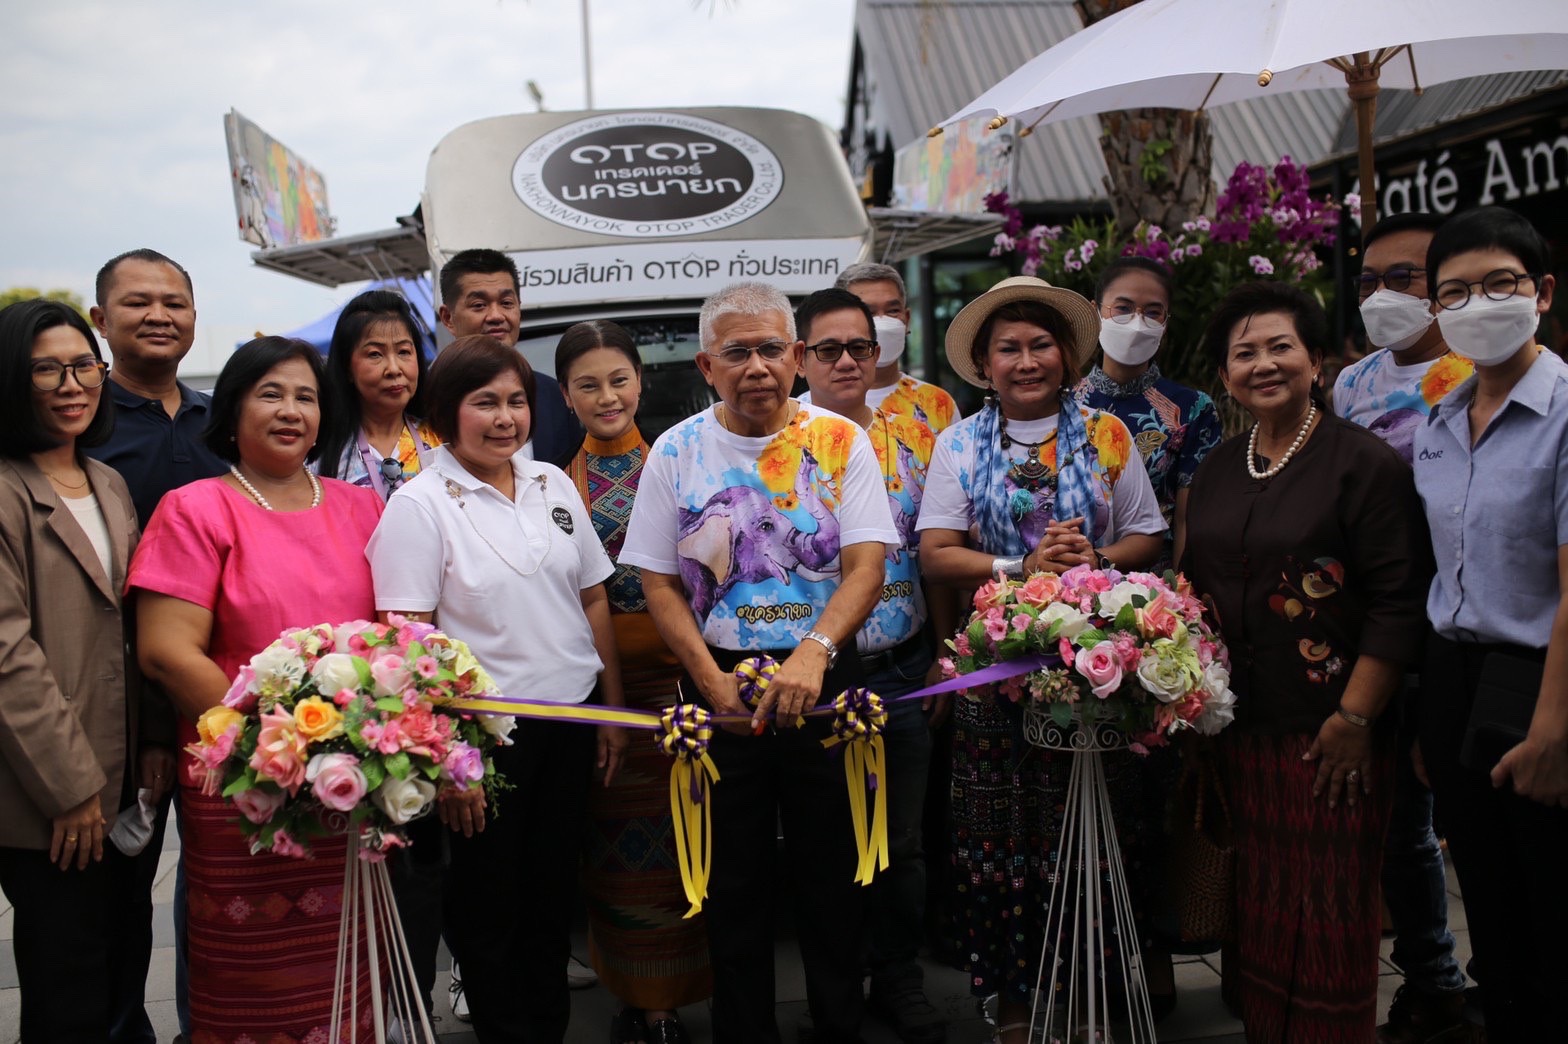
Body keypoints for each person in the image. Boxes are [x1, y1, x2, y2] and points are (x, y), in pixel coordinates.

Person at [620, 282, 897, 1044]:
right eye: (736, 353)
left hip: (825, 680)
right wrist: (709, 683)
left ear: (798, 356)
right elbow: (657, 582)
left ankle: (840, 1026)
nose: (756, 367)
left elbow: (866, 565)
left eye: (772, 349)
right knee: (732, 887)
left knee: (834, 881)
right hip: (720, 688)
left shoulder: (840, 441)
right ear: (707, 365)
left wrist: (815, 652)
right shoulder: (674, 450)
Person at [915, 275, 1165, 1044]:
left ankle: (1087, 989)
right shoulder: (956, 444)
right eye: (1008, 350)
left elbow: (1147, 536)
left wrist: (1091, 561)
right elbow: (934, 554)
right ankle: (1013, 1003)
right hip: (994, 675)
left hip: (1091, 671)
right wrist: (1017, 573)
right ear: (985, 367)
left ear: (1065, 356)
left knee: (1089, 835)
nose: (1027, 361)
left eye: (1040, 345)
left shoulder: (1108, 437)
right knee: (997, 844)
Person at [1181, 281, 1431, 1043]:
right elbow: (1192, 585)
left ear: (1318, 362)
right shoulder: (1221, 467)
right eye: (1244, 353)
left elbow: (1398, 600)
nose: (1263, 365)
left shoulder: (1363, 465)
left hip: (1332, 736)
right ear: (1225, 376)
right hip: (1240, 732)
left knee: (1328, 914)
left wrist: (1357, 718)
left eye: (1280, 347)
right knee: (1258, 912)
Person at [367, 335, 627, 1044]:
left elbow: (593, 600)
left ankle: (546, 1030)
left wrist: (609, 710)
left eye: (517, 401)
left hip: (568, 723)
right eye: (485, 403)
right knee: (488, 910)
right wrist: (449, 759)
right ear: (446, 413)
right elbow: (407, 643)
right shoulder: (420, 505)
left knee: (550, 901)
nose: (506, 417)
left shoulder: (552, 482)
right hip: (484, 740)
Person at [131, 337, 385, 1041]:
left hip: (348, 776)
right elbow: (166, 650)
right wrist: (276, 751)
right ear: (234, 407)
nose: (291, 411)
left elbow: (395, 641)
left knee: (347, 974)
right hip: (244, 783)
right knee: (251, 984)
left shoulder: (361, 507)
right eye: (271, 393)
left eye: (306, 396)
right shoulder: (195, 508)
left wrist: (352, 748)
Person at [1411, 205, 1565, 1044]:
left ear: (1540, 291)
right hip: (1455, 676)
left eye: (1499, 285)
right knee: (1491, 910)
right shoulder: (1440, 421)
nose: (1479, 305)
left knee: (1550, 901)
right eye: (1455, 292)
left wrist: (1553, 730)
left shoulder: (1567, 409)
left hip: (1543, 679)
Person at [1333, 212, 1473, 1044]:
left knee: (1438, 819)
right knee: (1395, 825)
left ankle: (1459, 980)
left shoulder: (1472, 375)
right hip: (1376, 623)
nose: (1386, 296)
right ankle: (1431, 974)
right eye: (1371, 280)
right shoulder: (1352, 382)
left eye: (1406, 278)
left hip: (1453, 625)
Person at [794, 287, 947, 1044]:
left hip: (903, 664)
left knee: (904, 841)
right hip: (814, 676)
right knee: (827, 839)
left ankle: (898, 977)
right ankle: (835, 988)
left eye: (860, 346)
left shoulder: (921, 427)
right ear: (801, 357)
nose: (849, 360)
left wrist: (946, 652)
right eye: (830, 349)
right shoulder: (776, 434)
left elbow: (939, 550)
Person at [556, 320, 711, 1044]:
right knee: (615, 852)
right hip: (603, 690)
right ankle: (637, 997)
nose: (607, 395)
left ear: (642, 381)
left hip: (686, 685)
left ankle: (676, 998)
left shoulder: (683, 465)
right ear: (566, 395)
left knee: (687, 840)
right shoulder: (552, 484)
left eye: (619, 379)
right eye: (588, 384)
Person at [0, 299, 150, 1043]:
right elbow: (7, 655)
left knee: (124, 966)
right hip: (49, 790)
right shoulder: (4, 489)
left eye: (83, 365)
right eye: (46, 368)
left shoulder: (107, 483)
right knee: (68, 988)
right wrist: (71, 787)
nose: (72, 383)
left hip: (121, 775)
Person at [86, 248, 224, 1043]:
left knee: (222, 878)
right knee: (114, 901)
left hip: (218, 691)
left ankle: (210, 1025)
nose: (159, 315)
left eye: (175, 301)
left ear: (195, 318)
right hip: (116, 699)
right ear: (102, 322)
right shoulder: (81, 423)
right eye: (137, 303)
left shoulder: (223, 420)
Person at [1075, 256, 1222, 570]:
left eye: (1152, 312)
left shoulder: (1193, 409)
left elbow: (1187, 520)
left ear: (1166, 323)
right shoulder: (1064, 403)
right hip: (1069, 578)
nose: (1137, 322)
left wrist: (1180, 598)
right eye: (1123, 308)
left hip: (1156, 591)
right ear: (1094, 312)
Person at [437, 248, 582, 467]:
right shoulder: (426, 401)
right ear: (448, 318)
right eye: (479, 305)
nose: (496, 316)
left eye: (506, 303)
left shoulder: (554, 397)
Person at [796, 261, 961, 433]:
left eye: (892, 310)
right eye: (869, 312)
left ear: (907, 318)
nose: (882, 321)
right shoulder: (800, 414)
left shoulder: (938, 405)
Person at [317, 288, 441, 498]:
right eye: (375, 354)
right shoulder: (321, 450)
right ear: (347, 367)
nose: (394, 368)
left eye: (403, 352)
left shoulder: (443, 438)